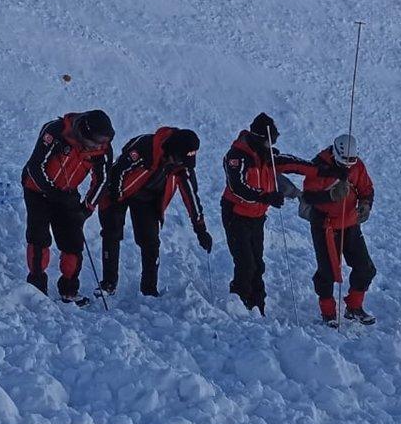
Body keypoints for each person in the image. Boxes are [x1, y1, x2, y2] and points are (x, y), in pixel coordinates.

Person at [97, 127, 210, 297]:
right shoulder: (145, 146)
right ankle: (108, 284)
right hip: (117, 193)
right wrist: (115, 194)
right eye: (179, 160)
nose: (181, 165)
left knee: (151, 243)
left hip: (148, 199)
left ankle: (149, 290)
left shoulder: (182, 167)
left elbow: (191, 197)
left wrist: (200, 229)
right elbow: (119, 170)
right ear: (172, 151)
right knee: (112, 233)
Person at [220, 113, 314, 314]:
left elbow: (292, 163)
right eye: (270, 141)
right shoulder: (237, 156)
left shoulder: (266, 156)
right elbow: (237, 186)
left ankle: (257, 304)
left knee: (257, 263)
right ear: (259, 138)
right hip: (235, 215)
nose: (272, 146)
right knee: (245, 263)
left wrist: (318, 169)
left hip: (257, 217)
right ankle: (239, 303)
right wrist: (266, 197)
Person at [21, 110, 115, 304]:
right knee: (39, 238)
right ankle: (37, 286)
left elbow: (102, 180)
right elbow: (34, 166)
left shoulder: (102, 149)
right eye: (95, 141)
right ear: (84, 132)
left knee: (73, 243)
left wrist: (86, 209)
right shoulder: (56, 131)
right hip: (37, 189)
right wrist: (51, 191)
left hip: (67, 193)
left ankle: (69, 289)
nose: (98, 145)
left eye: (102, 141)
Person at [299, 133, 376, 325]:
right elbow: (308, 196)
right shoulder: (319, 166)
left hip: (350, 223)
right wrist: (331, 196)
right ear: (335, 153)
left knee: (365, 268)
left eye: (351, 161)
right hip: (325, 226)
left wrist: (366, 205)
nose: (348, 166)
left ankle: (354, 306)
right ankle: (328, 313)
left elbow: (366, 189)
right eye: (344, 162)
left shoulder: (357, 166)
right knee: (326, 271)